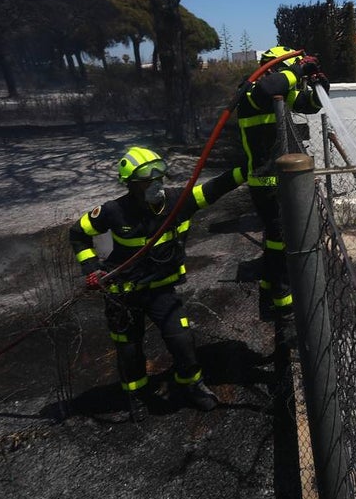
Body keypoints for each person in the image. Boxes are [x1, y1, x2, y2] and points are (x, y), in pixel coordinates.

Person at [69, 146, 241, 421]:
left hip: (160, 289)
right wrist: (90, 268)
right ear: (132, 185)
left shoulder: (177, 202)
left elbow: (212, 189)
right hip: (122, 293)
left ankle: (192, 387)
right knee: (128, 347)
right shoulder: (114, 211)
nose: (156, 185)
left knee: (181, 338)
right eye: (148, 181)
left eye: (159, 178)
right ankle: (136, 395)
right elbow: (78, 233)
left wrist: (244, 170)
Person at [234, 45, 329, 320]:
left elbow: (310, 105)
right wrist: (299, 67)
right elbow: (269, 88)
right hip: (266, 181)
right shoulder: (253, 92)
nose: (295, 76)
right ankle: (283, 300)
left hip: (280, 180)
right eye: (291, 68)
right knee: (279, 241)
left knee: (279, 240)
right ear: (273, 67)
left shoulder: (278, 93)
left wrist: (320, 82)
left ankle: (271, 286)